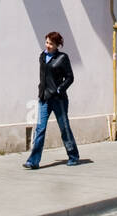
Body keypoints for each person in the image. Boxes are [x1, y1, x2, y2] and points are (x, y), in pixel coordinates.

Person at [23, 31, 81, 169]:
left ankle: (73, 156)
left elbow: (70, 77)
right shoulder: (42, 56)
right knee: (40, 129)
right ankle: (33, 161)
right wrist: (41, 91)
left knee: (64, 128)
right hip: (44, 98)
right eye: (47, 42)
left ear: (57, 45)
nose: (48, 45)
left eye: (51, 43)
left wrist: (60, 89)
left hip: (58, 99)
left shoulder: (62, 58)